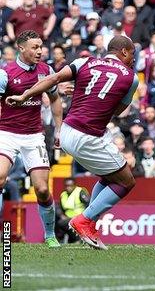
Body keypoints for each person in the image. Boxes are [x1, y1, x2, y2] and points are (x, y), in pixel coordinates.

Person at [7, 35, 140, 250]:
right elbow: (117, 111)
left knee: (109, 176)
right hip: (88, 136)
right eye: (132, 54)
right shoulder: (131, 78)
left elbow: (54, 79)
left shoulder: (83, 62)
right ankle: (84, 220)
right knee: (127, 181)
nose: (133, 59)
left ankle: (90, 227)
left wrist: (25, 95)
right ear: (124, 52)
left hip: (67, 132)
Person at [0, 30, 63, 248]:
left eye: (40, 46)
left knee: (43, 189)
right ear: (21, 48)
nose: (40, 51)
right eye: (35, 47)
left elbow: (55, 99)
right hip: (6, 133)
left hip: (34, 135)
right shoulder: (5, 73)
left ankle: (50, 235)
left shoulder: (47, 71)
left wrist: (58, 129)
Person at [55, 178, 90, 243]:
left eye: (70, 185)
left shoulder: (80, 191)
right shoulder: (63, 194)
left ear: (74, 185)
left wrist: (84, 216)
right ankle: (62, 240)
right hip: (67, 217)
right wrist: (61, 215)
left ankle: (78, 239)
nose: (68, 187)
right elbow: (59, 208)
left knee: (62, 223)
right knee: (56, 218)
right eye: (67, 186)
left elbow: (88, 203)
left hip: (79, 217)